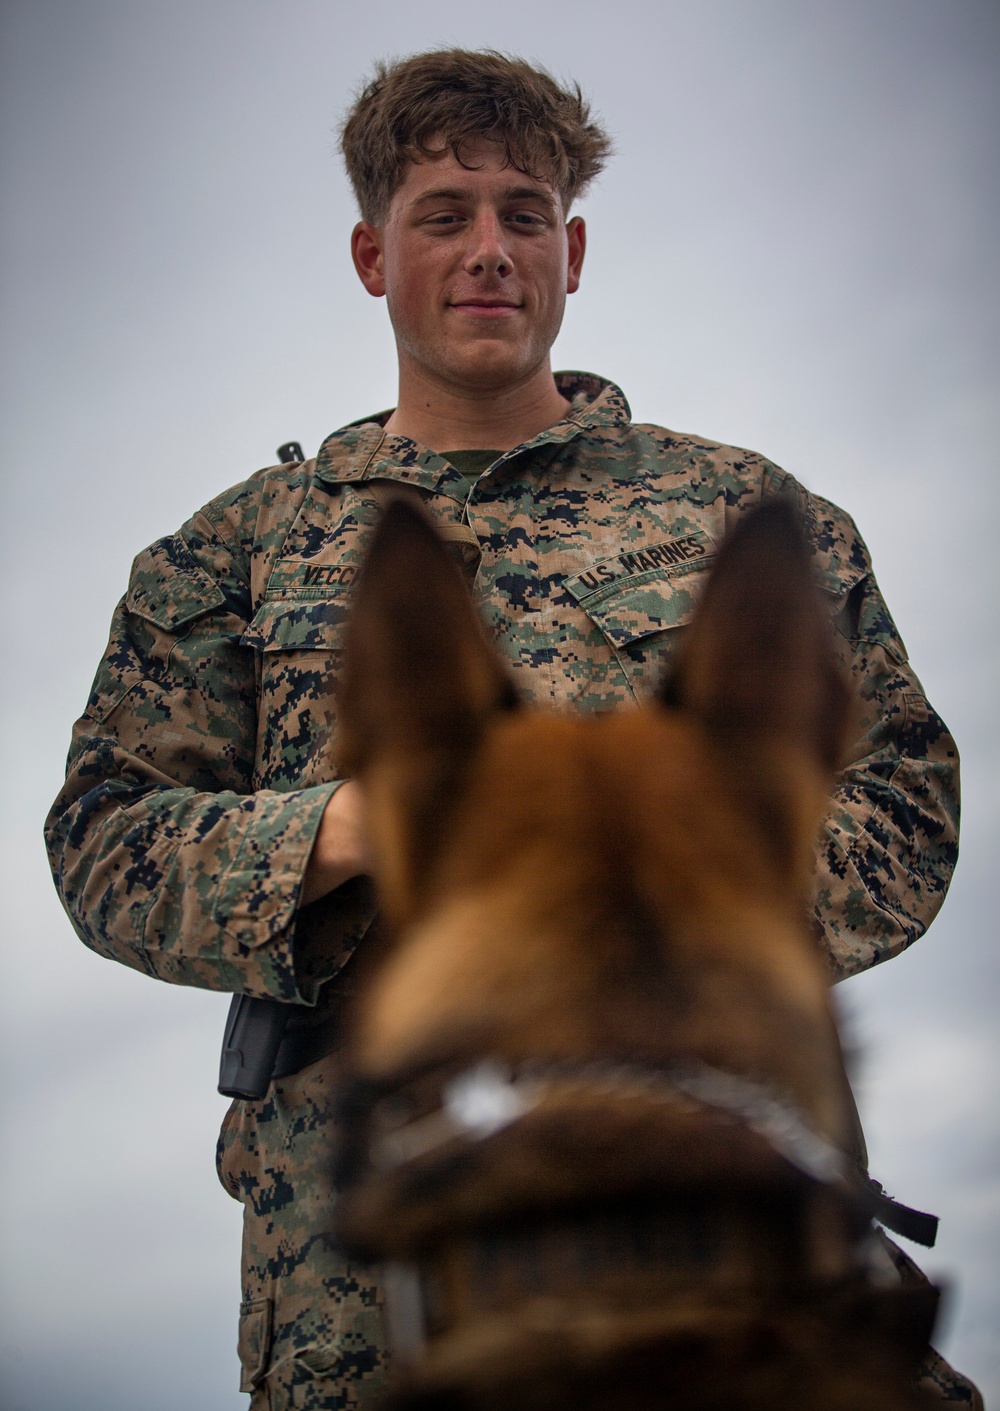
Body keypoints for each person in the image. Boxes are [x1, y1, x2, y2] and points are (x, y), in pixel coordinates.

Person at [44, 49, 979, 1411]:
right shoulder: (235, 553)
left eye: (523, 214)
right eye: (445, 216)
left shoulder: (746, 517)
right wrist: (356, 828)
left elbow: (906, 798)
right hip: (363, 1262)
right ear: (374, 255)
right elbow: (101, 841)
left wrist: (683, 890)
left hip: (725, 1192)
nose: (490, 251)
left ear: (573, 248)